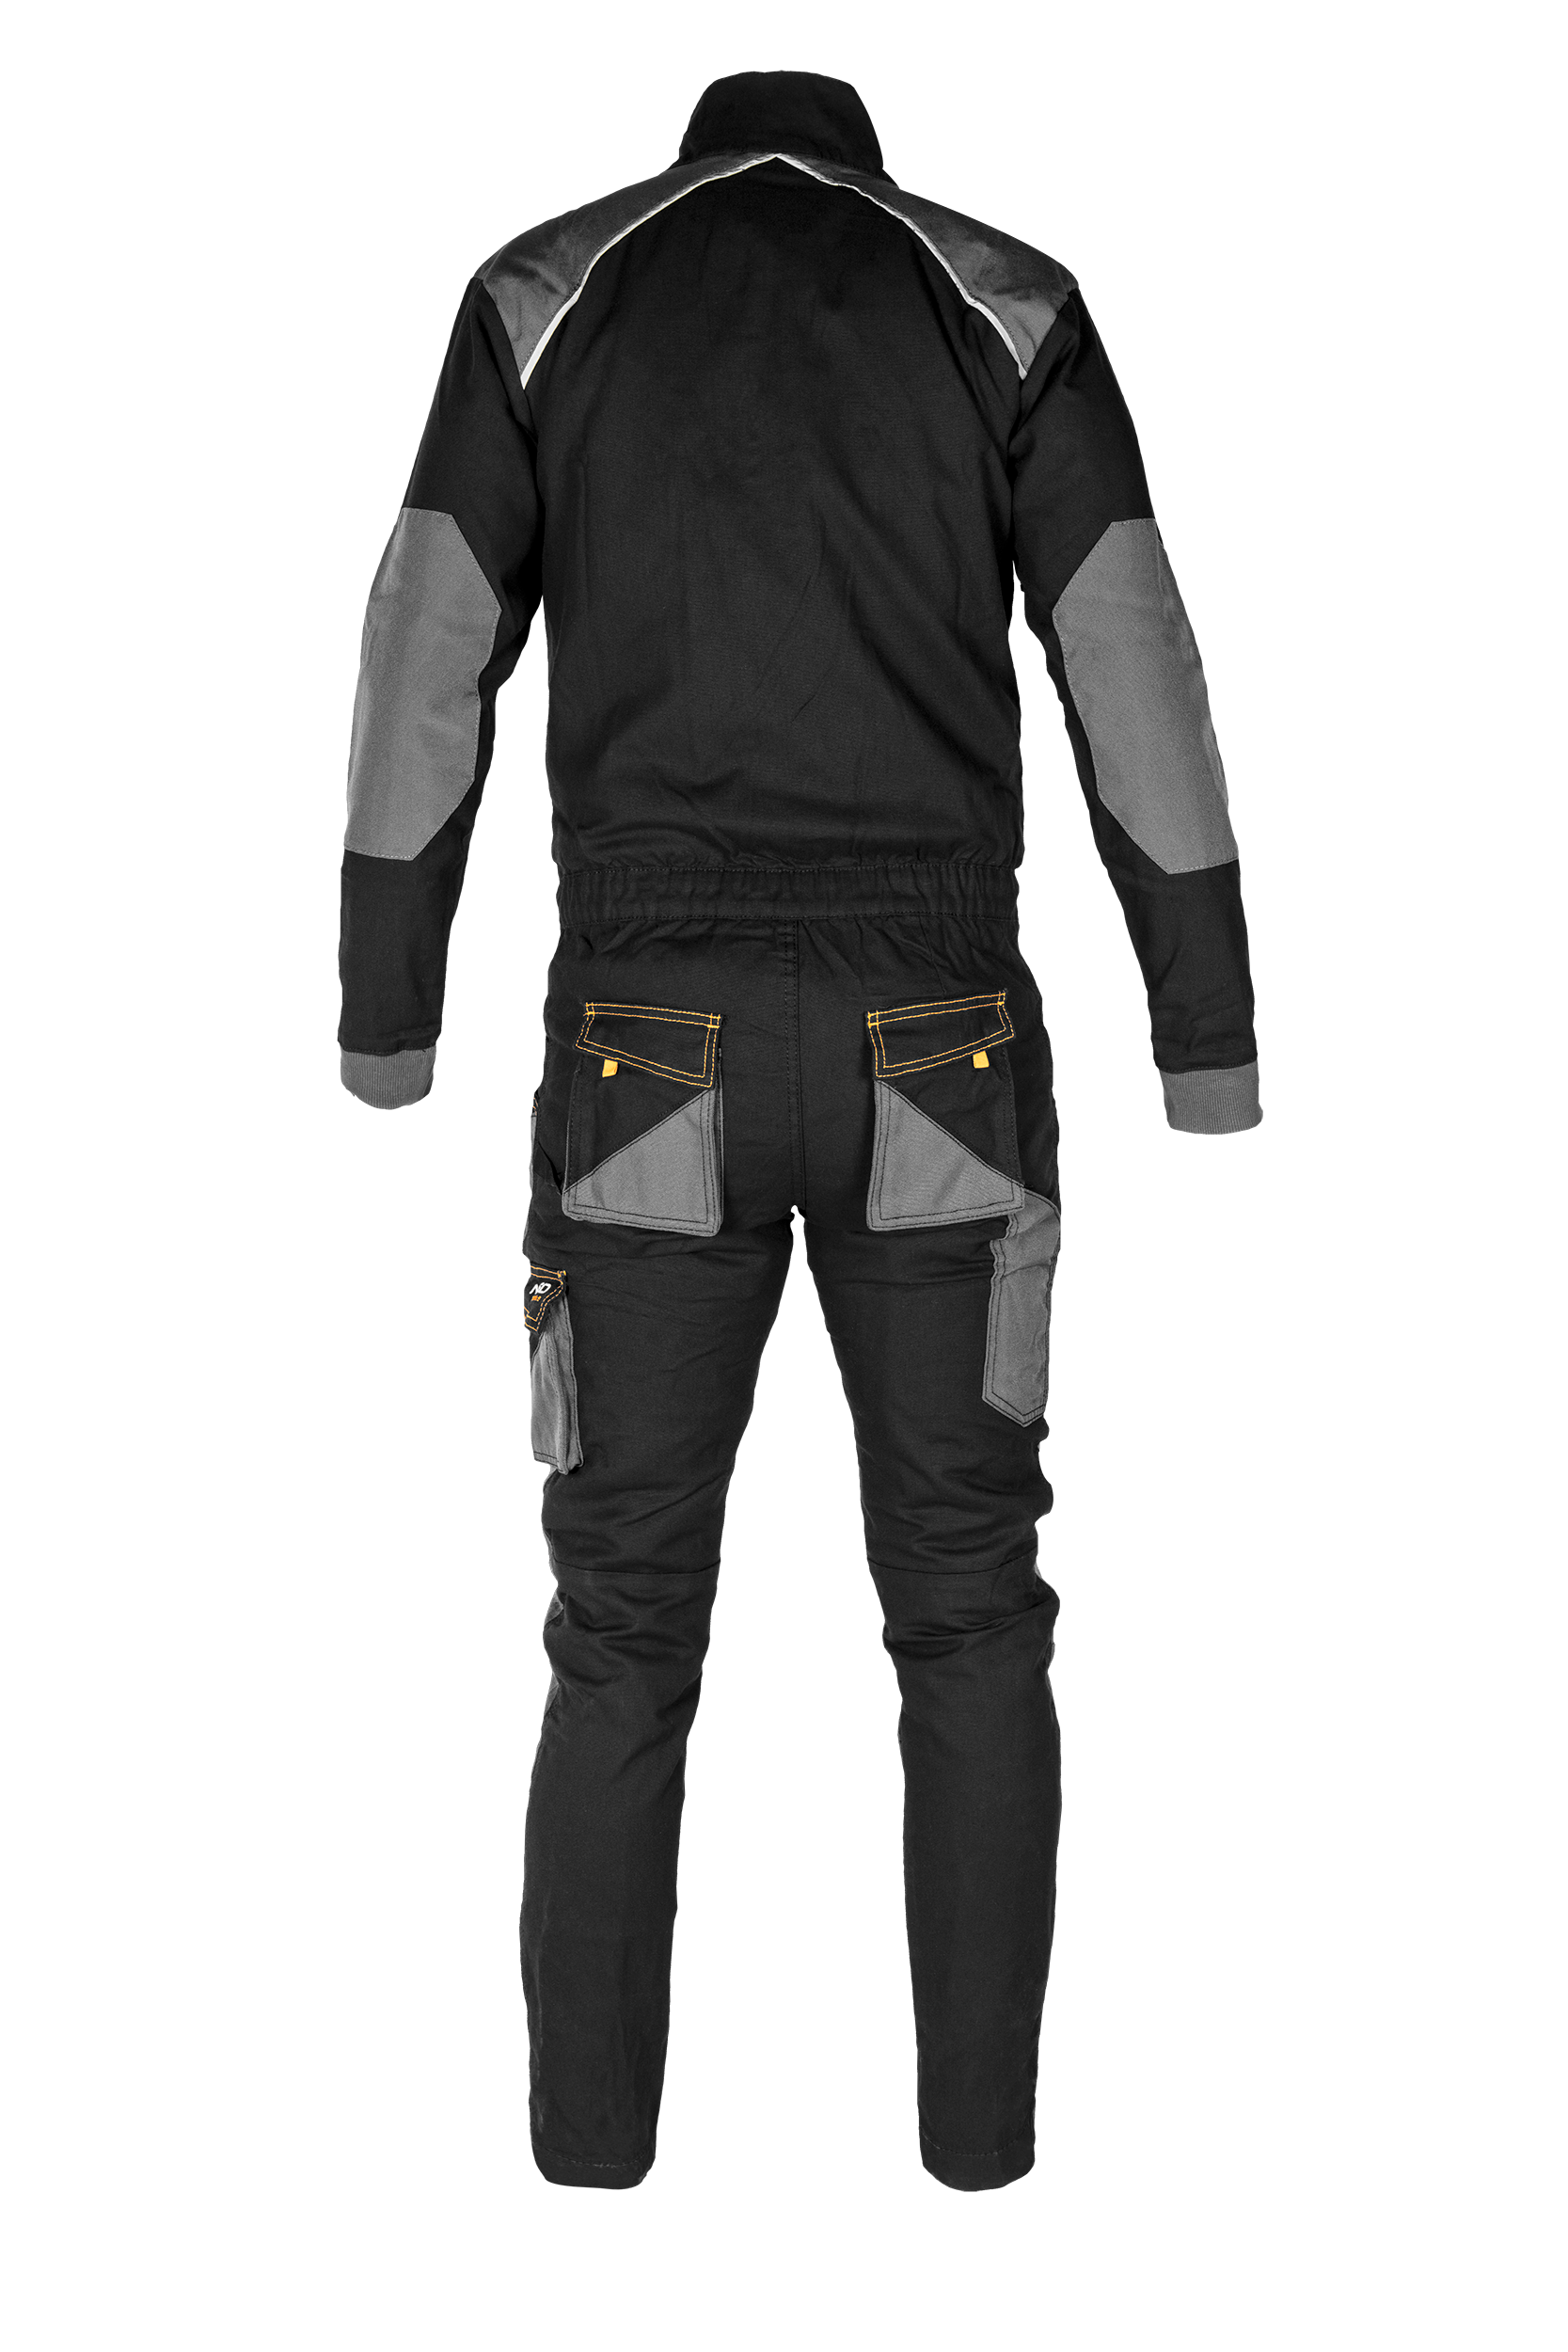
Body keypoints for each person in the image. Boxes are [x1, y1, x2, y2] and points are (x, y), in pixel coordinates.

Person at [338, 69, 1260, 2193]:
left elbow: (422, 671)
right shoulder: (1008, 299)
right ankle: (978, 2202)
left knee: (615, 1639)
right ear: (890, 129)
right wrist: (1203, 1044)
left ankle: (589, 2208)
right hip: (938, 1043)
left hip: (644, 1051)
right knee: (973, 1619)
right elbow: (1131, 667)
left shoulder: (544, 292)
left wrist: (384, 1041)